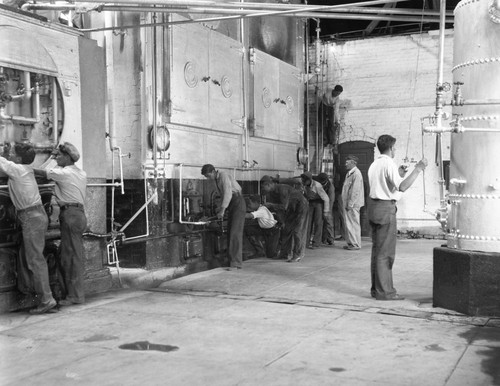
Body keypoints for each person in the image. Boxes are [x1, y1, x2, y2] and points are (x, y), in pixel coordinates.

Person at [368, 135, 428, 301]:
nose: (395, 150)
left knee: (376, 252)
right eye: (395, 148)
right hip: (385, 209)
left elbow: (385, 183)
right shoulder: (388, 163)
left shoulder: (375, 164)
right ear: (391, 148)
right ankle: (385, 292)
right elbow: (402, 186)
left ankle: (376, 289)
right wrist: (418, 168)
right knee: (385, 253)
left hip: (373, 208)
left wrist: (399, 173)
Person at [0, 142, 57, 314]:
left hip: (31, 217)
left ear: (18, 158)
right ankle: (32, 292)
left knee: (35, 260)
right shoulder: (25, 170)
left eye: (11, 152)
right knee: (28, 256)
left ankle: (47, 299)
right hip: (34, 216)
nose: (9, 154)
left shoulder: (17, 169)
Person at [34, 142, 87, 306]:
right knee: (69, 255)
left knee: (71, 257)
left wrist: (24, 167)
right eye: (55, 155)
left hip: (70, 215)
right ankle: (72, 294)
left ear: (67, 157)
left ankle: (75, 296)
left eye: (58, 156)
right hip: (78, 214)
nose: (56, 158)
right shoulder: (80, 172)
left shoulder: (63, 173)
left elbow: (39, 171)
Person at [202, 164, 246, 270]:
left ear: (213, 172)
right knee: (231, 232)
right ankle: (233, 261)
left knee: (235, 233)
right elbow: (223, 196)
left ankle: (236, 263)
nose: (208, 178)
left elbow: (228, 193)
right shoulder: (217, 180)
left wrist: (222, 209)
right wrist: (219, 210)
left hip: (237, 202)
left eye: (208, 176)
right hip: (233, 203)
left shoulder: (223, 175)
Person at [260, 176, 308, 262]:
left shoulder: (282, 189)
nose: (263, 190)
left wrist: (271, 205)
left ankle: (297, 255)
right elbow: (280, 208)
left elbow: (283, 206)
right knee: (286, 230)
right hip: (291, 208)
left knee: (297, 231)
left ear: (269, 185)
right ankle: (284, 254)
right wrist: (282, 221)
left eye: (263, 187)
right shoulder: (272, 193)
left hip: (301, 206)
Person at [244, 195, 280, 259]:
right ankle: (260, 251)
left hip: (273, 231)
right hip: (264, 230)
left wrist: (238, 213)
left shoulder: (262, 210)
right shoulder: (259, 208)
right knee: (248, 230)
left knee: (270, 254)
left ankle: (278, 249)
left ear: (256, 203)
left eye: (250, 204)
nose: (249, 205)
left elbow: (250, 216)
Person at [301, 171, 330, 249]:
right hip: (310, 204)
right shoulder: (304, 185)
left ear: (309, 180)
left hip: (318, 204)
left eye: (305, 180)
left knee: (318, 223)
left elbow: (326, 198)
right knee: (308, 223)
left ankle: (316, 243)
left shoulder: (317, 185)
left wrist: (326, 211)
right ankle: (305, 243)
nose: (303, 181)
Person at [341, 155, 365, 250]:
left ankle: (355, 244)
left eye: (347, 162)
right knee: (349, 224)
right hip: (348, 203)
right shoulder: (350, 173)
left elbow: (355, 191)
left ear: (353, 163)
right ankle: (351, 243)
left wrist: (350, 204)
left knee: (353, 224)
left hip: (352, 204)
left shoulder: (356, 174)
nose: (345, 164)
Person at [313, 173, 335, 245]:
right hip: (321, 202)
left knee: (328, 221)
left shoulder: (330, 187)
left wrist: (328, 210)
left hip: (328, 203)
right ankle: (323, 238)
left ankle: (330, 239)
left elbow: (330, 199)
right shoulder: (318, 180)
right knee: (320, 221)